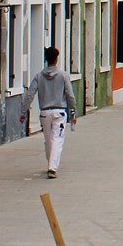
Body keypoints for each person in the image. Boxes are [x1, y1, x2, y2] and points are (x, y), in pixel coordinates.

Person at [28, 46, 77, 178]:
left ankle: (50, 163)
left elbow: (30, 94)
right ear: (56, 59)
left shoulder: (38, 76)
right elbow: (70, 95)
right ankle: (52, 167)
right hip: (59, 112)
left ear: (46, 59)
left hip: (44, 112)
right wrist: (73, 113)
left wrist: (23, 112)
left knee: (48, 139)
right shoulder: (63, 75)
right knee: (57, 139)